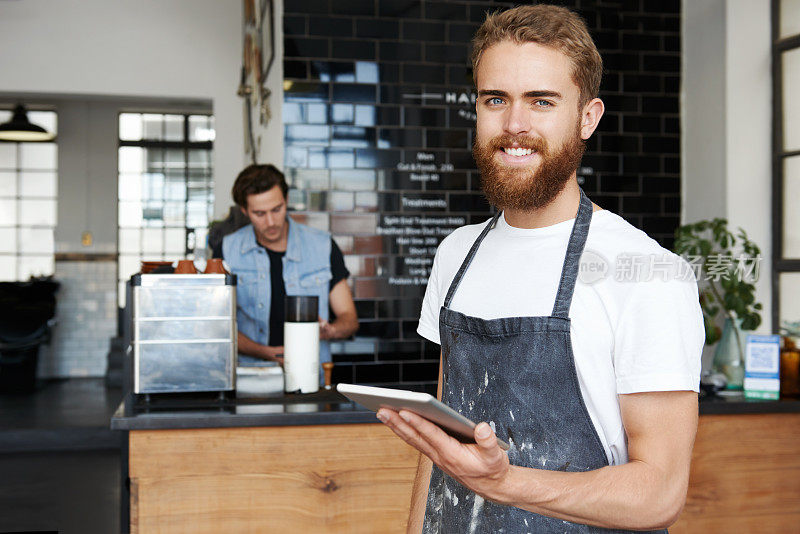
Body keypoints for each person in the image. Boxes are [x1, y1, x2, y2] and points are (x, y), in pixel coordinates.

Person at [376, 5, 703, 533]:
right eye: (495, 99)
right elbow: (443, 450)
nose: (514, 126)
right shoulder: (457, 254)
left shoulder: (642, 271)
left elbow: (660, 493)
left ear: (587, 118)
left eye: (542, 101)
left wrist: (505, 484)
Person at [218, 164, 358, 370]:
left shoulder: (323, 246)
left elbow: (349, 319)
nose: (271, 221)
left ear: (287, 201)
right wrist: (264, 353)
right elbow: (219, 325)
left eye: (277, 209)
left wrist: (331, 331)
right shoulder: (227, 250)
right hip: (250, 377)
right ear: (244, 210)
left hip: (311, 376)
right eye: (259, 213)